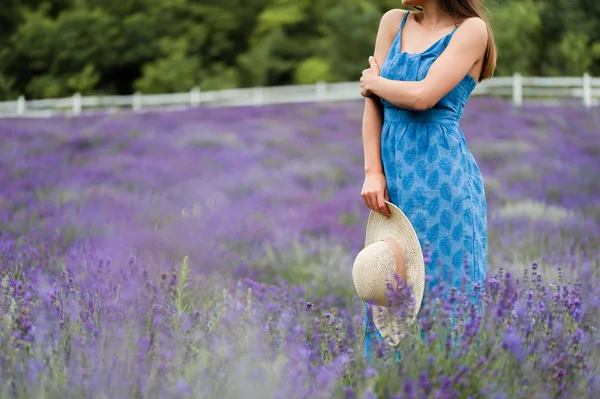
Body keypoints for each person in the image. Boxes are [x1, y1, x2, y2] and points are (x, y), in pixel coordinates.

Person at [358, 0, 496, 362]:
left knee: (446, 290)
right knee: (391, 282)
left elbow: (422, 96)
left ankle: (452, 379)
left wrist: (374, 80)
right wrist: (373, 170)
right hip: (396, 181)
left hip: (444, 183)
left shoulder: (471, 30)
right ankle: (390, 382)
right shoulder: (392, 23)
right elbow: (373, 105)